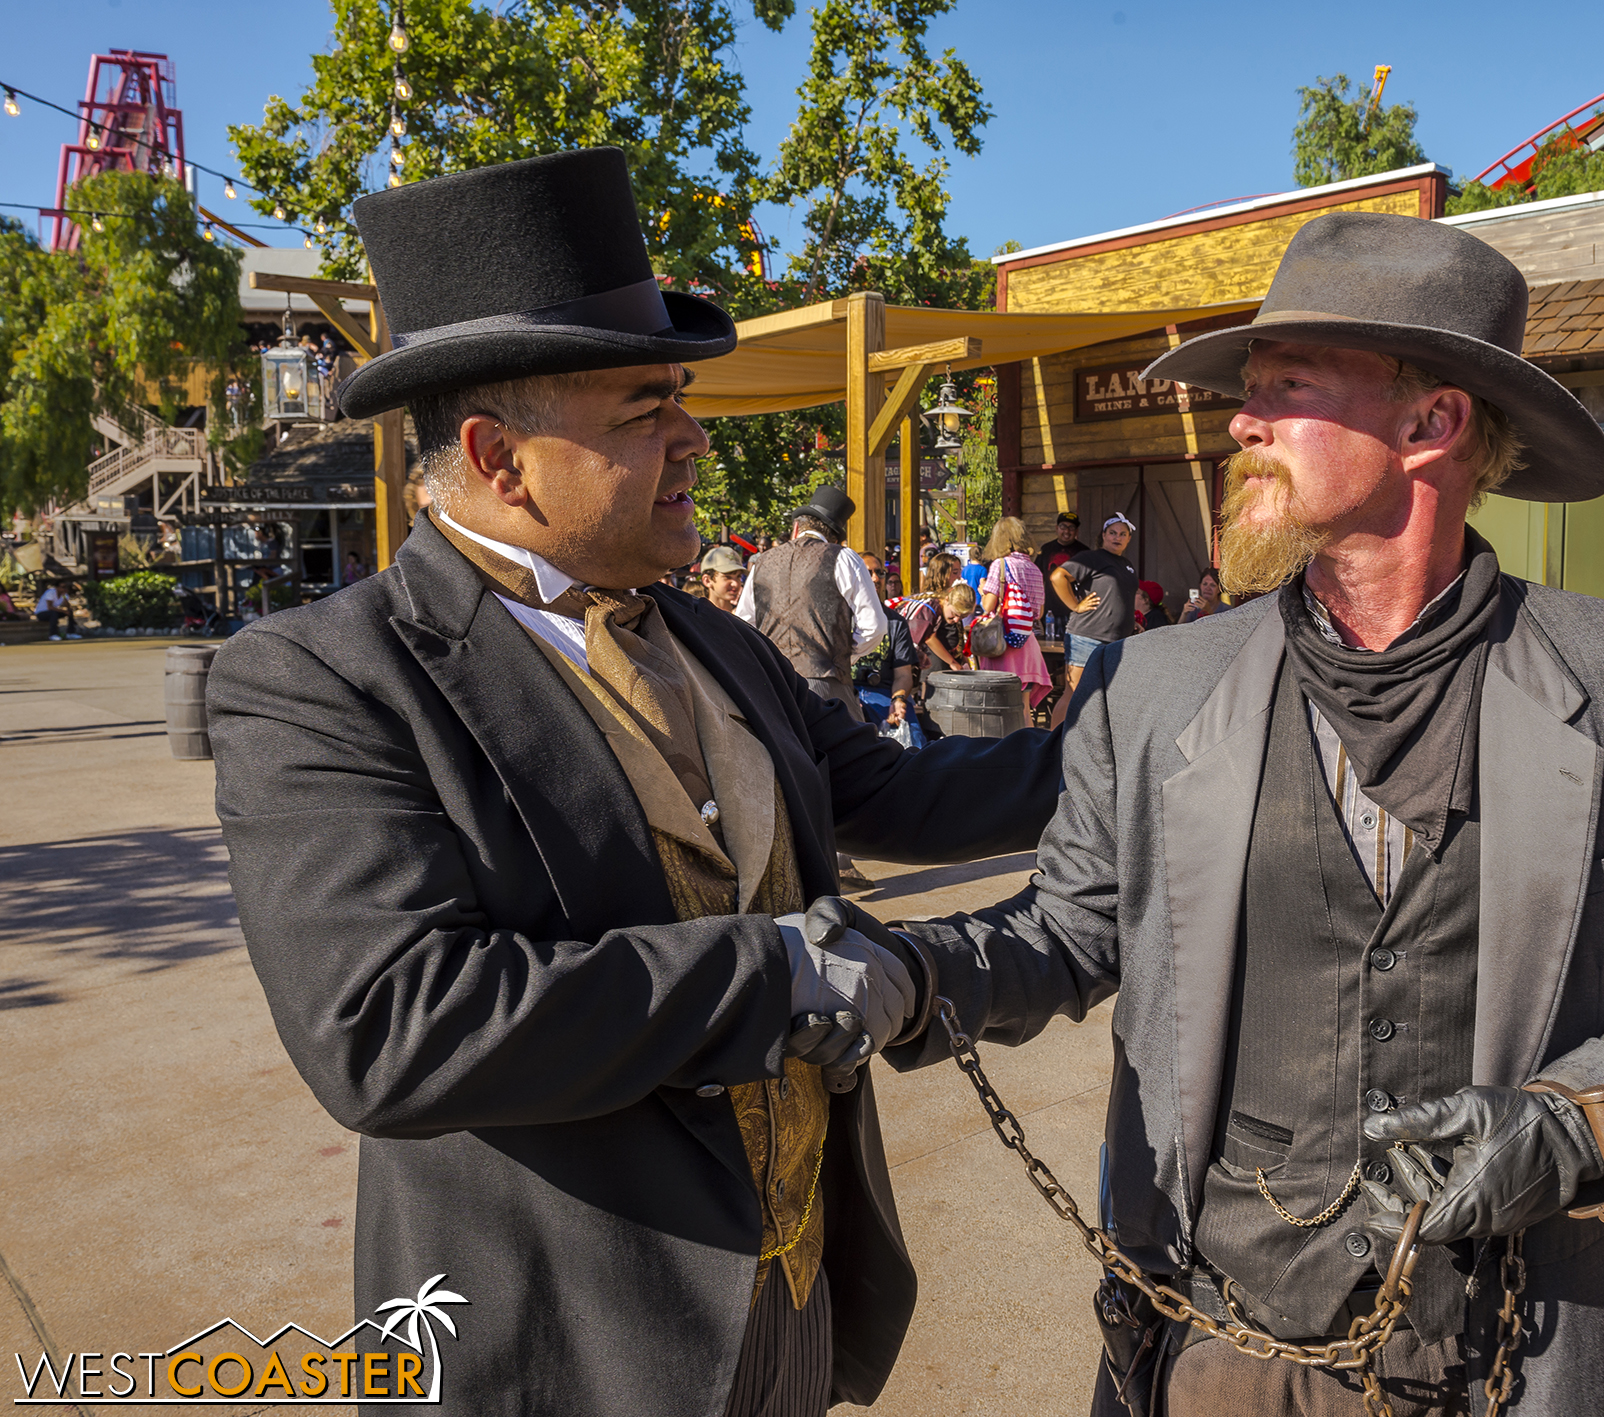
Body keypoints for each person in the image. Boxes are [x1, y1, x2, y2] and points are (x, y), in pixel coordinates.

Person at [847, 213, 1604, 1417]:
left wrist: (1568, 1129)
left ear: (1429, 425)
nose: (1241, 424)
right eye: (1248, 394)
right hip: (1216, 1347)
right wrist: (914, 971)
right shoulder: (1157, 685)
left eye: (1283, 391)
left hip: (1504, 1352)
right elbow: (1075, 927)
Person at [205, 149, 1062, 1417]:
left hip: (789, 1299)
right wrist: (771, 970)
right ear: (500, 457)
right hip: (559, 1349)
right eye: (643, 411)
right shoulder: (324, 678)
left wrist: (1138, 739)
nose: (694, 440)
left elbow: (891, 795)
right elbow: (390, 1027)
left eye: (682, 399)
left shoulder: (711, 639)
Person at [735, 486, 885, 724]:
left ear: (797, 527)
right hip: (825, 683)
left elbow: (743, 623)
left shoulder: (762, 562)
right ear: (836, 536)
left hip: (773, 681)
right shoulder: (843, 557)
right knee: (846, 754)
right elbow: (874, 627)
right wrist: (841, 656)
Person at [1048, 513, 1138, 728]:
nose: (1117, 537)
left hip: (1118, 640)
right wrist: (1075, 605)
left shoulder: (1126, 564)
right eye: (1113, 533)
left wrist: (1131, 620)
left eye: (1123, 534)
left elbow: (1120, 596)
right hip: (1087, 636)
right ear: (1104, 535)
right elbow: (1057, 577)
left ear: (1128, 539)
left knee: (1106, 696)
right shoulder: (1091, 558)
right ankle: (1050, 744)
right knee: (1075, 692)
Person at [974, 516, 1051, 726]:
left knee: (997, 706)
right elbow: (1039, 612)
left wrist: (982, 591)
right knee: (1024, 708)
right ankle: (1028, 752)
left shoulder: (1000, 565)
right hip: (1027, 643)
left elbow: (988, 606)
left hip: (1002, 643)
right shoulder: (1035, 570)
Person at [853, 552, 926, 748]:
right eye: (868, 572)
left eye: (880, 572)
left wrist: (899, 699)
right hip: (848, 690)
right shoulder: (841, 618)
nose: (875, 578)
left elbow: (903, 674)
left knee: (914, 742)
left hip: (886, 691)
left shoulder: (895, 622)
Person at [1034, 512, 1090, 636]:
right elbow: (1037, 578)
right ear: (1056, 528)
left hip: (1075, 610)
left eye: (1071, 528)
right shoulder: (1046, 549)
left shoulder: (1084, 551)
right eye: (1063, 527)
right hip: (1050, 610)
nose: (1067, 531)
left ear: (1076, 531)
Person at [699, 542, 749, 615]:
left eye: (738, 576)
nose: (735, 583)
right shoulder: (697, 617)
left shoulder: (744, 616)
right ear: (707, 581)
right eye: (727, 577)